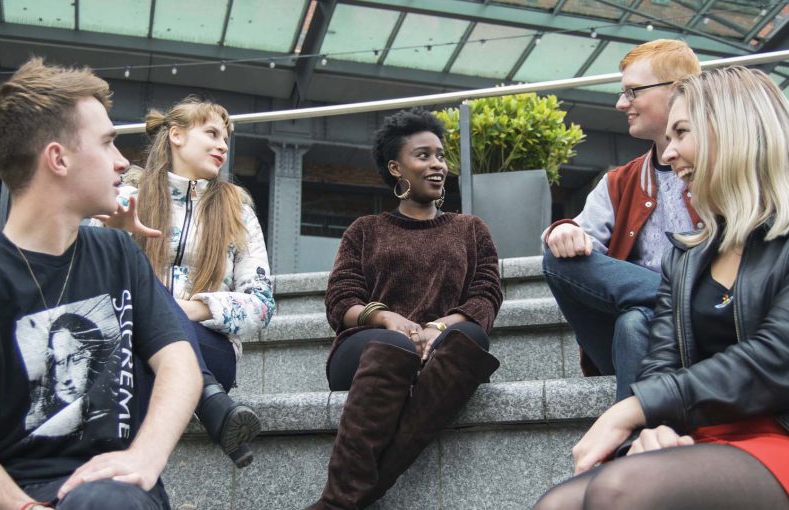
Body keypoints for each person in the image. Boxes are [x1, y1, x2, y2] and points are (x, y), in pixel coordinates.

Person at [533, 66, 789, 510]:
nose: (668, 154)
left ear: (731, 133)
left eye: (681, 134)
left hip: (778, 433)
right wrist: (657, 425)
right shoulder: (686, 257)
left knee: (620, 489)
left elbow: (775, 357)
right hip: (704, 435)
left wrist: (633, 410)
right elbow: (661, 359)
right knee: (558, 504)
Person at [0, 58, 202, 509]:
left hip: (107, 492)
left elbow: (180, 364)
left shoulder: (118, 253)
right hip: (1, 493)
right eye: (108, 142)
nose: (122, 161)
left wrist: (145, 457)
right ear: (58, 158)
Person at [309, 108, 503, 509]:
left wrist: (437, 326)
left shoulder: (470, 229)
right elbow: (340, 299)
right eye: (423, 156)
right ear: (397, 167)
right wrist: (388, 320)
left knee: (470, 337)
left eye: (441, 155)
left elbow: (485, 295)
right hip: (366, 351)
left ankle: (342, 500)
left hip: (444, 350)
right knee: (394, 347)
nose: (437, 165)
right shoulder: (365, 230)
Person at [102, 98, 275, 468]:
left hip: (209, 348)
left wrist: (174, 310)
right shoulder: (124, 199)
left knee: (145, 323)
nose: (223, 146)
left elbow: (261, 303)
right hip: (129, 345)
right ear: (176, 135)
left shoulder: (238, 210)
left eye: (226, 138)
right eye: (211, 133)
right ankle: (211, 404)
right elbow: (85, 275)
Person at [542, 39, 702, 400]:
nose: (620, 103)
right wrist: (566, 231)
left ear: (678, 91)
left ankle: (628, 449)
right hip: (653, 331)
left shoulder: (725, 167)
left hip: (703, 334)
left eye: (632, 91)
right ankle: (676, 302)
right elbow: (583, 247)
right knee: (556, 258)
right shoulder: (620, 181)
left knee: (634, 322)